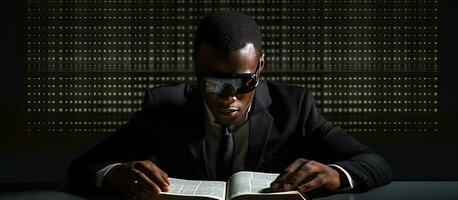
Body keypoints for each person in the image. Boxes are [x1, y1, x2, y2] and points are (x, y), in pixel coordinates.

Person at [68, 11, 392, 199]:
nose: (228, 98)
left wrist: (335, 174)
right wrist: (113, 174)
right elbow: (82, 167)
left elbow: (375, 163)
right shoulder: (163, 107)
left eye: (243, 82)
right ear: (195, 72)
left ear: (261, 66)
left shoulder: (295, 107)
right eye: (213, 83)